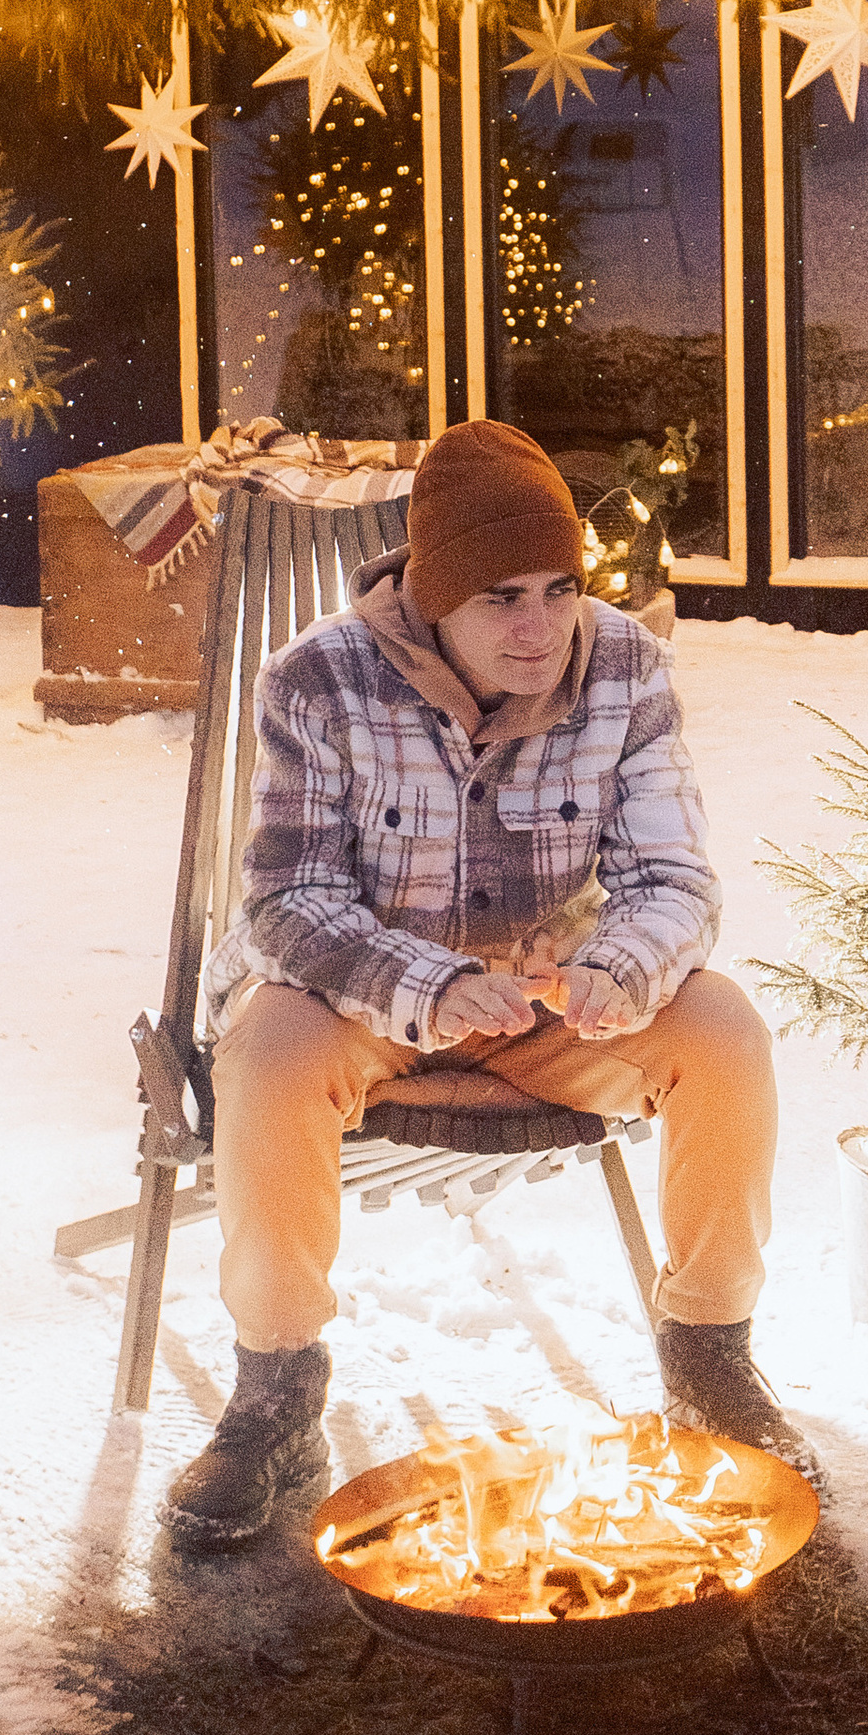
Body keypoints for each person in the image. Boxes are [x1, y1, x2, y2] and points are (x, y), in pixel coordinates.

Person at [164, 418, 797, 1548]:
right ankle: (276, 1390)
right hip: (358, 999)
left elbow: (676, 878)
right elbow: (285, 902)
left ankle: (709, 1351)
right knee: (263, 1054)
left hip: (543, 1006)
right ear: (432, 594)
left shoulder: (625, 666)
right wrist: (430, 982)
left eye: (560, 590)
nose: (539, 627)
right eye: (503, 596)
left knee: (725, 1030)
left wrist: (618, 963)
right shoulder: (317, 682)